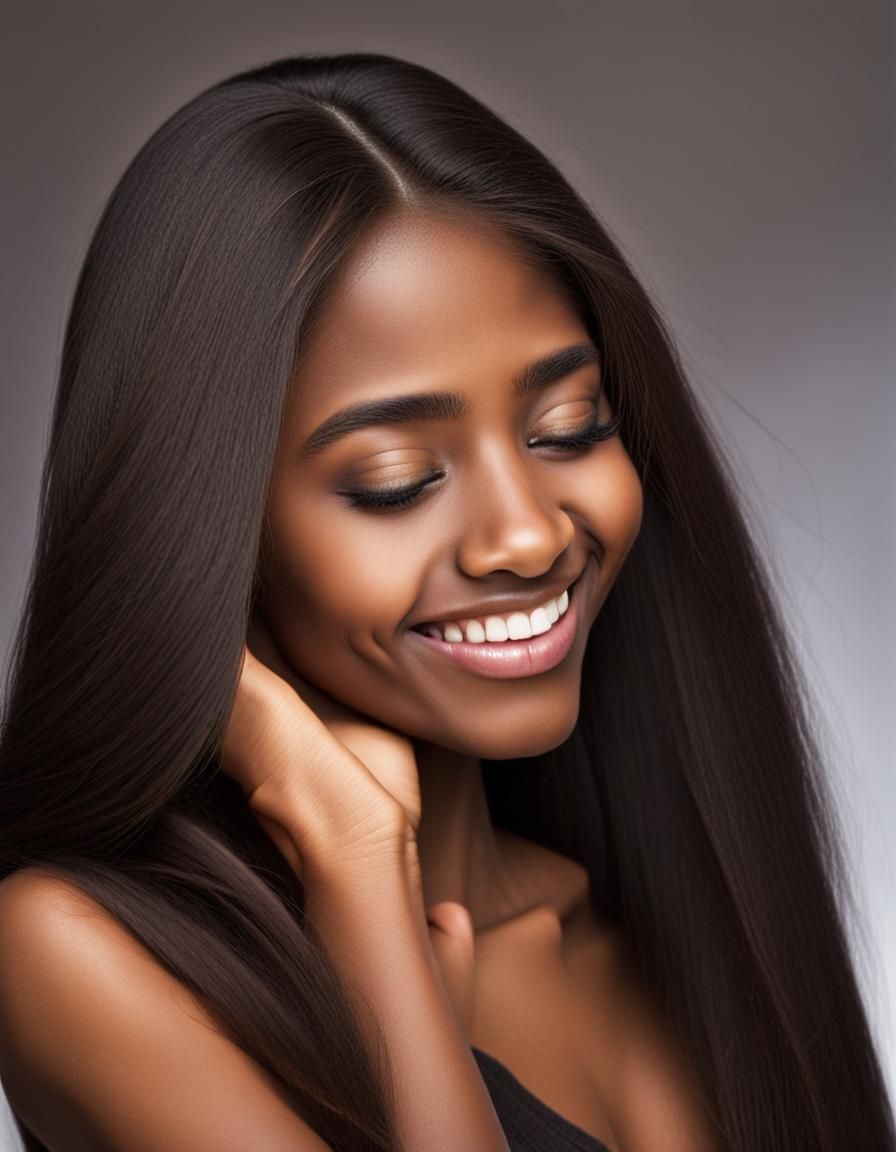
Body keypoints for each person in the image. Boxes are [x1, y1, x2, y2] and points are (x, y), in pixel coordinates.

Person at [0, 52, 891, 1152]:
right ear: (202, 531)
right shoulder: (78, 954)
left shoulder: (668, 917)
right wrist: (358, 865)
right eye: (395, 482)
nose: (527, 532)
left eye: (568, 427)